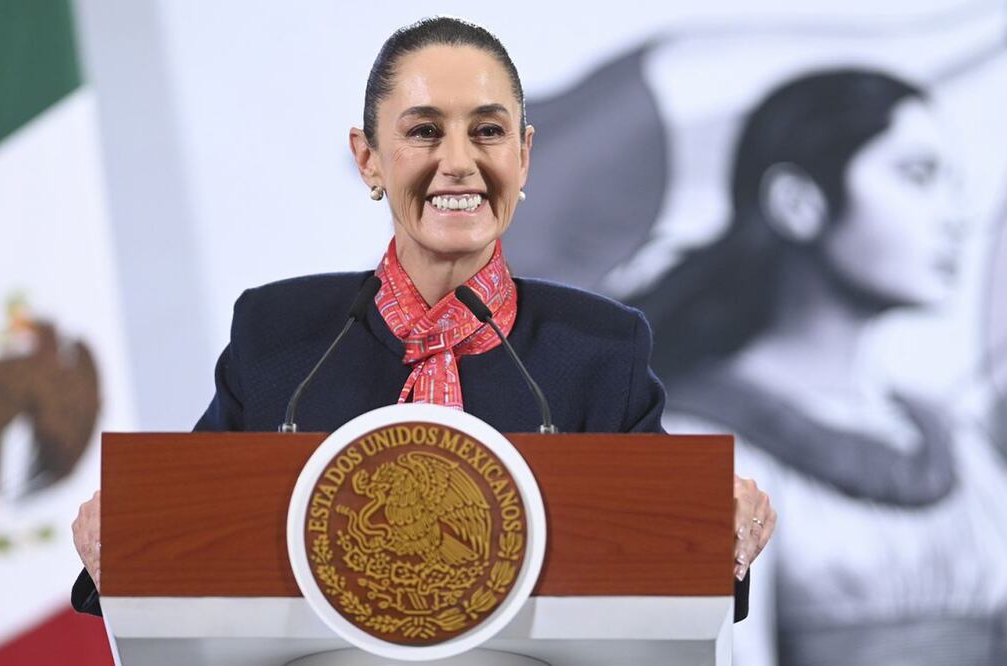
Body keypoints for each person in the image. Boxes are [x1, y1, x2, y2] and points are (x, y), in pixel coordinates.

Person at [70, 16, 774, 623]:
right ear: (368, 159)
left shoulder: (597, 346)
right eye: (424, 131)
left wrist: (722, 532)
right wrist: (119, 541)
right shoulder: (281, 334)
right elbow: (182, 532)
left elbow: (672, 553)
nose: (459, 163)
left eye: (488, 131)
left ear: (524, 157)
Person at [635, 69, 1007, 664]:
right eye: (917, 176)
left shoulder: (960, 449)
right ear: (798, 202)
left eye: (953, 184)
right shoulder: (699, 445)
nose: (953, 217)